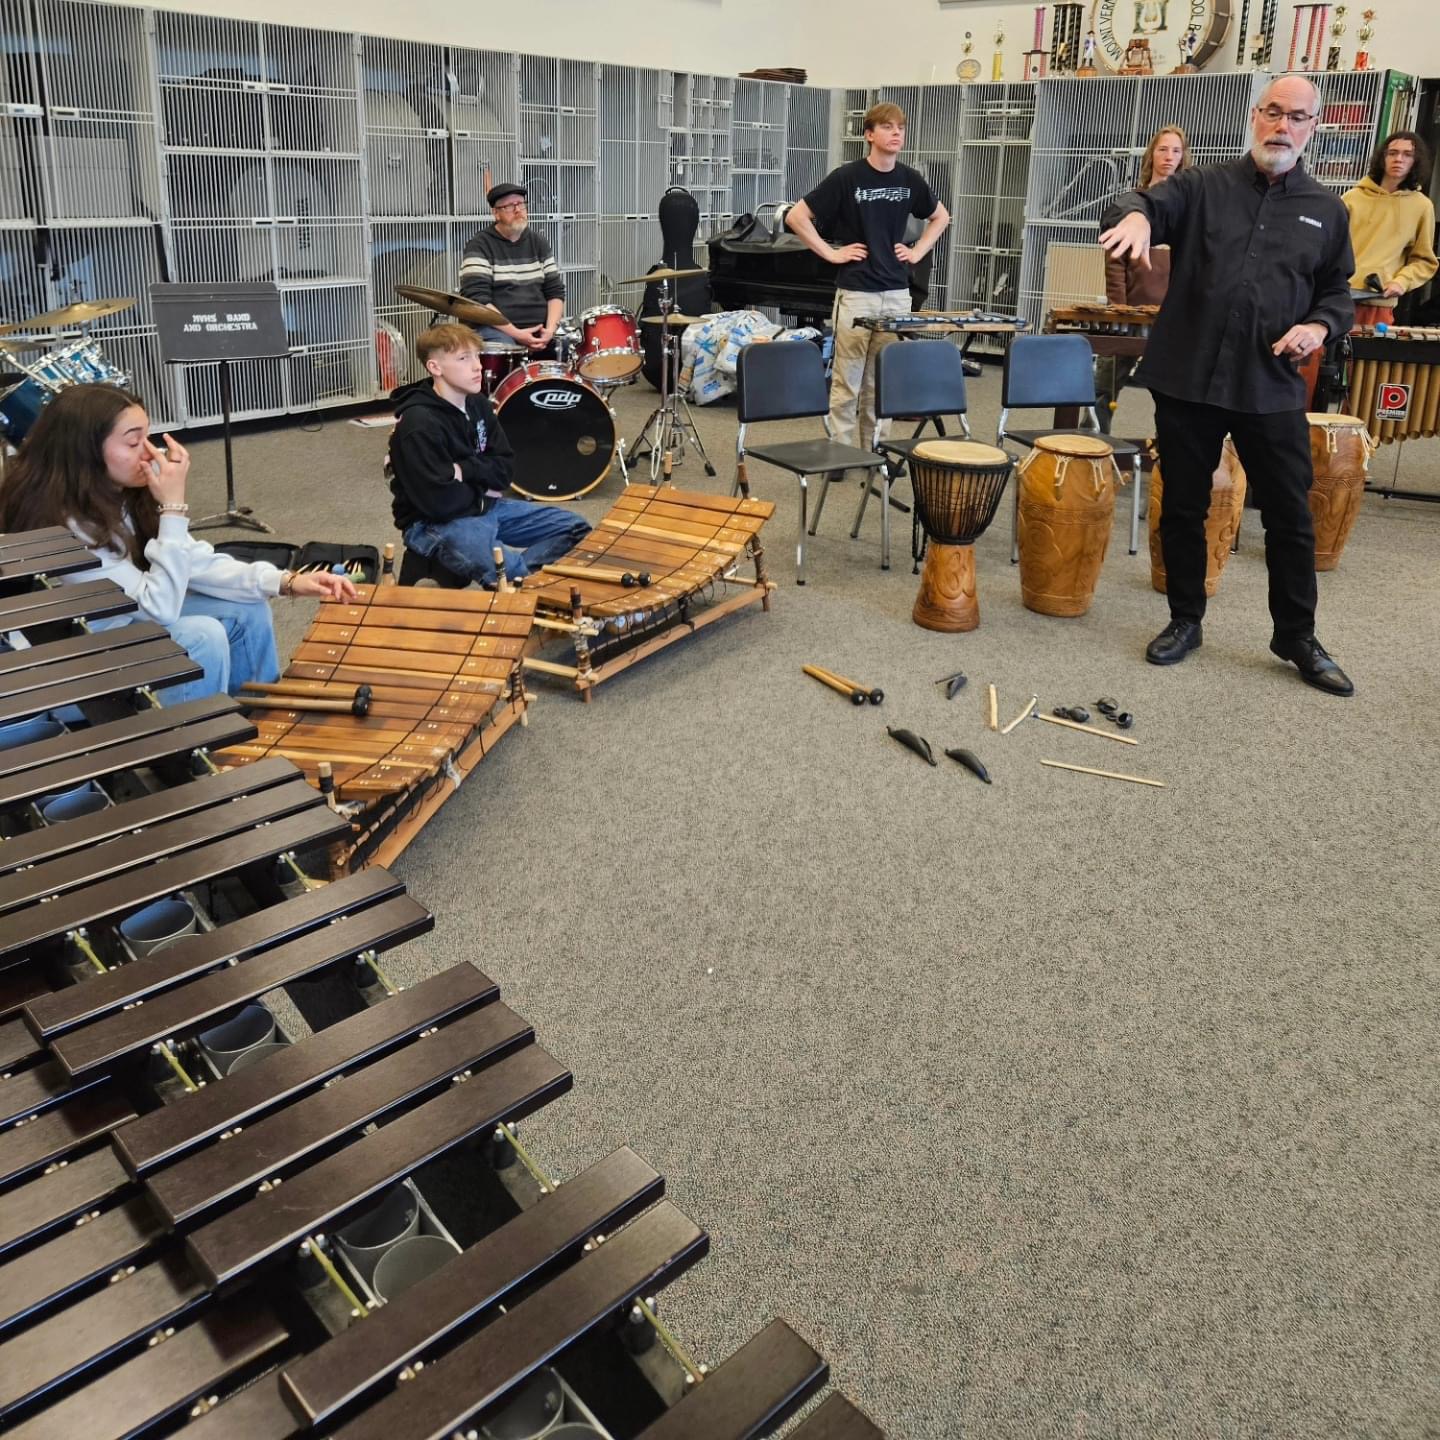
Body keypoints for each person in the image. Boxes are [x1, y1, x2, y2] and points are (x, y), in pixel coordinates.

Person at [1099, 74, 1355, 697]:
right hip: (1188, 378)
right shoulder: (1202, 186)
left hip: (1269, 383)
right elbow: (1141, 203)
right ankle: (1186, 619)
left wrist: (1319, 326)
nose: (1282, 126)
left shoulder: (1327, 209)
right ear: (1253, 116)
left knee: (1292, 514)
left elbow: (1337, 292)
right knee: (1184, 505)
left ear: (1312, 128)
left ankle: (1296, 634)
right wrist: (1134, 218)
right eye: (1273, 112)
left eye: (1297, 117)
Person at [0, 383, 354, 704]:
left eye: (148, 438)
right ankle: (192, 756)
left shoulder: (115, 493)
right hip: (66, 657)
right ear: (87, 450)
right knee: (202, 637)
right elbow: (159, 608)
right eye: (132, 441)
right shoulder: (66, 525)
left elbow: (191, 560)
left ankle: (257, 723)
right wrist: (172, 508)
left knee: (246, 609)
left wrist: (285, 581)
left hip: (120, 620)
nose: (149, 452)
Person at [785, 103, 950, 455]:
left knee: (882, 382)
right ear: (869, 135)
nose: (896, 133)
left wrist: (918, 252)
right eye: (888, 127)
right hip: (857, 292)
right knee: (848, 380)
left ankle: (876, 453)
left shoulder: (910, 180)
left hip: (896, 294)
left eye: (900, 128)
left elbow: (941, 217)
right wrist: (830, 253)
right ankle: (841, 455)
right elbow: (796, 216)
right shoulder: (848, 177)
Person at [388, 323, 590, 587]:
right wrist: (483, 487)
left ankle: (518, 581)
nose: (477, 366)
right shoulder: (419, 424)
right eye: (463, 358)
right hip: (433, 523)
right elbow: (439, 502)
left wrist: (465, 470)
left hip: (484, 506)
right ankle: (516, 581)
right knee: (511, 572)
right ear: (435, 367)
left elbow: (505, 468)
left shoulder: (478, 402)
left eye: (476, 356)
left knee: (577, 529)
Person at [1099, 125, 1192, 428]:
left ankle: (1168, 459)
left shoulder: (1189, 208)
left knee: (1175, 395)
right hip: (1132, 314)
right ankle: (1089, 447)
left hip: (1172, 319)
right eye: (1163, 149)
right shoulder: (1132, 204)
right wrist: (1119, 311)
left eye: (1175, 151)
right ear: (1152, 154)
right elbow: (1115, 263)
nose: (1169, 157)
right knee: (1104, 387)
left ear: (1183, 157)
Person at [1341, 131, 1437, 327]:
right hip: (1336, 297)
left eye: (1407, 154)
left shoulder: (1422, 206)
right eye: (1392, 153)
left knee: (1365, 357)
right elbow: (1326, 247)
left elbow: (1424, 260)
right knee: (1319, 357)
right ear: (1382, 157)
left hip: (1377, 304)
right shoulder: (1351, 198)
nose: (1398, 159)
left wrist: (1402, 281)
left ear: (1415, 162)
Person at [459, 183, 566, 357]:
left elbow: (555, 291)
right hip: (497, 329)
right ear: (496, 213)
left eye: (521, 204)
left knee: (565, 343)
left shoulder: (538, 242)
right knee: (506, 348)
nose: (518, 210)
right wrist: (517, 334)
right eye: (509, 206)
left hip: (539, 328)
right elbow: (477, 300)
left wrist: (550, 329)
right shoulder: (479, 245)